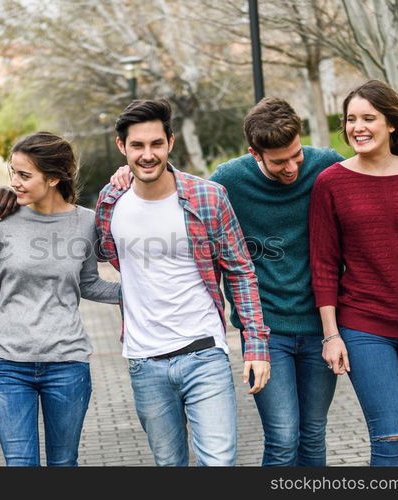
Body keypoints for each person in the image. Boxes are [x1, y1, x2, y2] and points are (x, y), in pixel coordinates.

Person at [109, 97, 398, 466]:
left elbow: (374, 167)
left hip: (320, 324)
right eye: (278, 161)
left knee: (313, 435)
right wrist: (126, 176)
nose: (292, 168)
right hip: (269, 328)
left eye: (296, 155)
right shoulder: (228, 181)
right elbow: (184, 198)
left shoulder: (326, 166)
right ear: (255, 153)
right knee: (284, 437)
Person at [95, 99, 270, 466]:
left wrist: (255, 345)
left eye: (156, 144)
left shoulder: (208, 197)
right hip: (145, 361)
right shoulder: (111, 201)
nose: (147, 155)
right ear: (121, 146)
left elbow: (240, 271)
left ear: (170, 143)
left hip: (204, 353)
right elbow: (106, 255)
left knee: (218, 464)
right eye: (137, 146)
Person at [309, 80, 398, 466]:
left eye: (368, 118)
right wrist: (331, 335)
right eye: (351, 119)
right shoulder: (331, 183)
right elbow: (323, 264)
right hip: (365, 326)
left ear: (391, 123)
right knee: (390, 438)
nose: (357, 127)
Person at [0, 132, 120, 467]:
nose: (15, 183)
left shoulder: (85, 222)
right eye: (12, 173)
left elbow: (89, 284)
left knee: (63, 463)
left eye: (24, 175)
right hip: (10, 365)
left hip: (67, 364)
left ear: (54, 177)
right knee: (20, 465)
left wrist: (137, 295)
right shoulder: (0, 219)